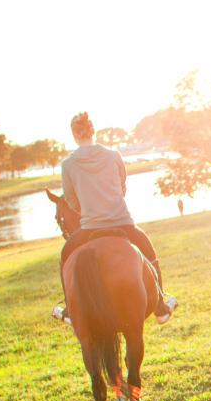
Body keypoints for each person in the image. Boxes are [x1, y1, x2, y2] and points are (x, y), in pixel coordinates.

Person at [52, 111, 179, 325]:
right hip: (123, 222)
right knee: (148, 250)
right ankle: (160, 306)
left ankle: (70, 310)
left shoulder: (68, 165)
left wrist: (87, 210)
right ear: (93, 131)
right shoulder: (114, 156)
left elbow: (71, 199)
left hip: (90, 227)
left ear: (74, 135)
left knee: (66, 255)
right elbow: (121, 187)